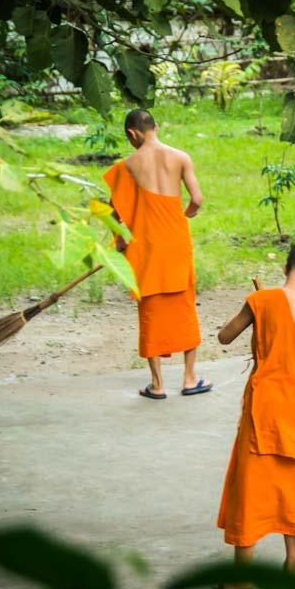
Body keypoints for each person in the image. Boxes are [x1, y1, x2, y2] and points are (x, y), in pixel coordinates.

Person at [213, 242, 295, 589]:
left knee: (251, 490)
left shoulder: (262, 301)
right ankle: (291, 570)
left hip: (261, 410)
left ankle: (241, 578)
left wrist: (254, 314)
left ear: (287, 268)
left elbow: (224, 336)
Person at [103, 109, 212, 399]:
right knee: (184, 305)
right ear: (156, 127)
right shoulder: (180, 157)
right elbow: (197, 200)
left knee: (150, 309)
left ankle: (158, 384)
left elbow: (115, 217)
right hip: (176, 241)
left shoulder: (126, 166)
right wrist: (182, 215)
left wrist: (120, 244)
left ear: (131, 133)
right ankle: (190, 378)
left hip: (146, 245)